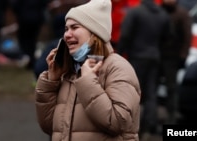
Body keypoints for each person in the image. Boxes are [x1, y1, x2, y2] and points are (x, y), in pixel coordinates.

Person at [35, 0, 141, 140]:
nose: (67, 34)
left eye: (74, 27)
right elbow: (51, 127)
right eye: (66, 29)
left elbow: (117, 122)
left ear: (94, 32)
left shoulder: (118, 67)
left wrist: (87, 82)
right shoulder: (69, 71)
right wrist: (51, 82)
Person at [116, 0, 170, 138]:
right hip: (154, 57)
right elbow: (168, 37)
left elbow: (126, 34)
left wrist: (118, 55)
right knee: (151, 93)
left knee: (132, 92)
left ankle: (130, 126)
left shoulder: (135, 12)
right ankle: (147, 128)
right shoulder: (163, 15)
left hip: (137, 57)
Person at [160, 0, 192, 124]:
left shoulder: (182, 14)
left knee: (171, 89)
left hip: (172, 58)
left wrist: (183, 57)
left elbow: (187, 36)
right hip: (157, 56)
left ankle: (171, 119)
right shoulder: (160, 11)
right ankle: (150, 120)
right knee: (151, 88)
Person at [10, 0, 48, 70]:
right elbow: (44, 4)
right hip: (36, 19)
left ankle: (27, 56)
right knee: (32, 40)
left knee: (24, 40)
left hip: (24, 19)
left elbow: (15, 5)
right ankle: (31, 59)